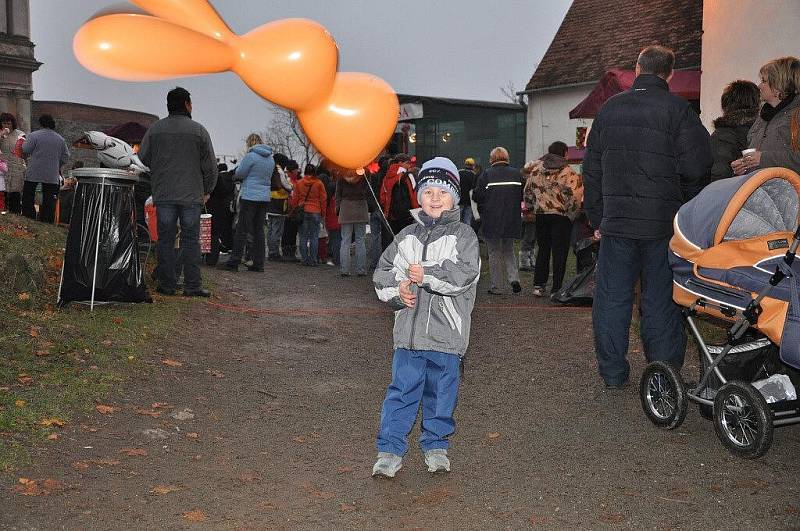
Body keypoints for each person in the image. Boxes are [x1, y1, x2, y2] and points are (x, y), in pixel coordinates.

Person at [583, 45, 712, 388]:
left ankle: (612, 372)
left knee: (612, 299)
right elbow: (697, 166)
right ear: (669, 74)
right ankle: (664, 374)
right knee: (661, 299)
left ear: (637, 68)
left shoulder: (609, 110)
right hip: (663, 225)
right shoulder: (679, 110)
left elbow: (591, 169)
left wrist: (597, 218)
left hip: (618, 223)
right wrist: (685, 209)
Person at [371, 157, 480, 478]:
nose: (435, 197)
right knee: (401, 392)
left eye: (443, 192)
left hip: (447, 338)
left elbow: (463, 275)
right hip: (408, 337)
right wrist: (399, 289)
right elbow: (382, 274)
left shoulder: (464, 237)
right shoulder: (405, 235)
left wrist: (426, 273)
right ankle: (389, 449)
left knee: (441, 395)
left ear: (454, 198)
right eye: (428, 190)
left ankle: (436, 445)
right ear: (419, 196)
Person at [138, 86, 218, 297]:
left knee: (165, 239)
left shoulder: (155, 129)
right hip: (192, 195)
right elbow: (211, 166)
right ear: (187, 104)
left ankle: (167, 285)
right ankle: (192, 286)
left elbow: (143, 158)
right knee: (191, 240)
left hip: (164, 194)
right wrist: (207, 189)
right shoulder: (199, 131)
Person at [523, 141, 584, 297]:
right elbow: (575, 196)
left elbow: (528, 192)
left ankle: (538, 284)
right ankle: (556, 288)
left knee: (543, 249)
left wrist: (531, 208)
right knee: (560, 252)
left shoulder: (536, 170)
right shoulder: (568, 172)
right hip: (561, 217)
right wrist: (573, 214)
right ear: (564, 153)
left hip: (541, 216)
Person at [732, 56, 800, 176]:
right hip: (761, 190)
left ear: (778, 86)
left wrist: (763, 159)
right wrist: (743, 166)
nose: (759, 86)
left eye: (764, 81)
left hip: (788, 193)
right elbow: (755, 159)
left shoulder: (796, 115)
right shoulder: (762, 118)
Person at [472, 146, 524, 295]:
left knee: (494, 252)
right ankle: (514, 279)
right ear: (507, 157)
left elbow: (478, 196)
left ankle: (497, 286)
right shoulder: (516, 174)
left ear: (492, 159)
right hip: (511, 218)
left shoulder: (486, 175)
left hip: (492, 218)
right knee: (509, 250)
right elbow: (522, 195)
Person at [222, 133, 274, 272]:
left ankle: (234, 261)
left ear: (249, 143)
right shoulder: (270, 159)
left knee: (242, 230)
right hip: (264, 198)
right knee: (259, 230)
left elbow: (240, 174)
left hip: (250, 196)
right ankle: (259, 263)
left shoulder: (250, 156)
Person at [21, 114, 70, 223]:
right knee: (49, 200)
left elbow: (25, 149)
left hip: (34, 171)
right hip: (51, 174)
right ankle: (46, 220)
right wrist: (57, 165)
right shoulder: (60, 139)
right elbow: (66, 156)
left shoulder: (34, 135)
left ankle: (29, 217)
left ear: (41, 123)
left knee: (28, 196)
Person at [709, 80, 760, 181]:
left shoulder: (722, 135)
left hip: (732, 192)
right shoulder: (762, 131)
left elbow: (718, 175)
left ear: (726, 105)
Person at [291, 164, 327, 266]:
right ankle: (313, 260)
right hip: (315, 211)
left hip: (303, 211)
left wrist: (294, 210)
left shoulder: (299, 183)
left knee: (303, 237)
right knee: (314, 237)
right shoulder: (319, 183)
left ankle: (304, 259)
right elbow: (323, 200)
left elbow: (295, 199)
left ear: (305, 172)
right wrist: (323, 214)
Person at [336, 167, 370, 276]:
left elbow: (338, 193)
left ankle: (344, 270)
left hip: (345, 207)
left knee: (345, 240)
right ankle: (361, 270)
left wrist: (338, 209)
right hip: (360, 206)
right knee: (360, 240)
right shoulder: (364, 172)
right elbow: (368, 190)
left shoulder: (341, 173)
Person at [266, 155, 292, 260]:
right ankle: (274, 253)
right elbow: (286, 185)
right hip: (279, 203)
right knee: (277, 230)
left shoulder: (269, 168)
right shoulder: (279, 170)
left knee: (271, 229)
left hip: (269, 202)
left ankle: (271, 251)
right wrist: (291, 187)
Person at [0, 112, 26, 214]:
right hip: (2, 166)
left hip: (16, 165)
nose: (6, 126)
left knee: (15, 191)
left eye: (8, 123)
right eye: (4, 123)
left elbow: (24, 149)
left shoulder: (20, 134)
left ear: (13, 123)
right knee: (3, 190)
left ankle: (15, 213)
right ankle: (3, 211)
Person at [281, 160, 302, 260]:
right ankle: (287, 253)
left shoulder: (298, 181)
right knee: (287, 232)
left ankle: (290, 253)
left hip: (295, 210)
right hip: (288, 210)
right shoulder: (287, 181)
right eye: (295, 170)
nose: (297, 171)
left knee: (292, 232)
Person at [458, 157, 477, 224]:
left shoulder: (459, 172)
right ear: (473, 165)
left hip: (459, 201)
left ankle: (457, 234)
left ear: (465, 164)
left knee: (458, 221)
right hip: (469, 202)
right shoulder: (474, 175)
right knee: (467, 221)